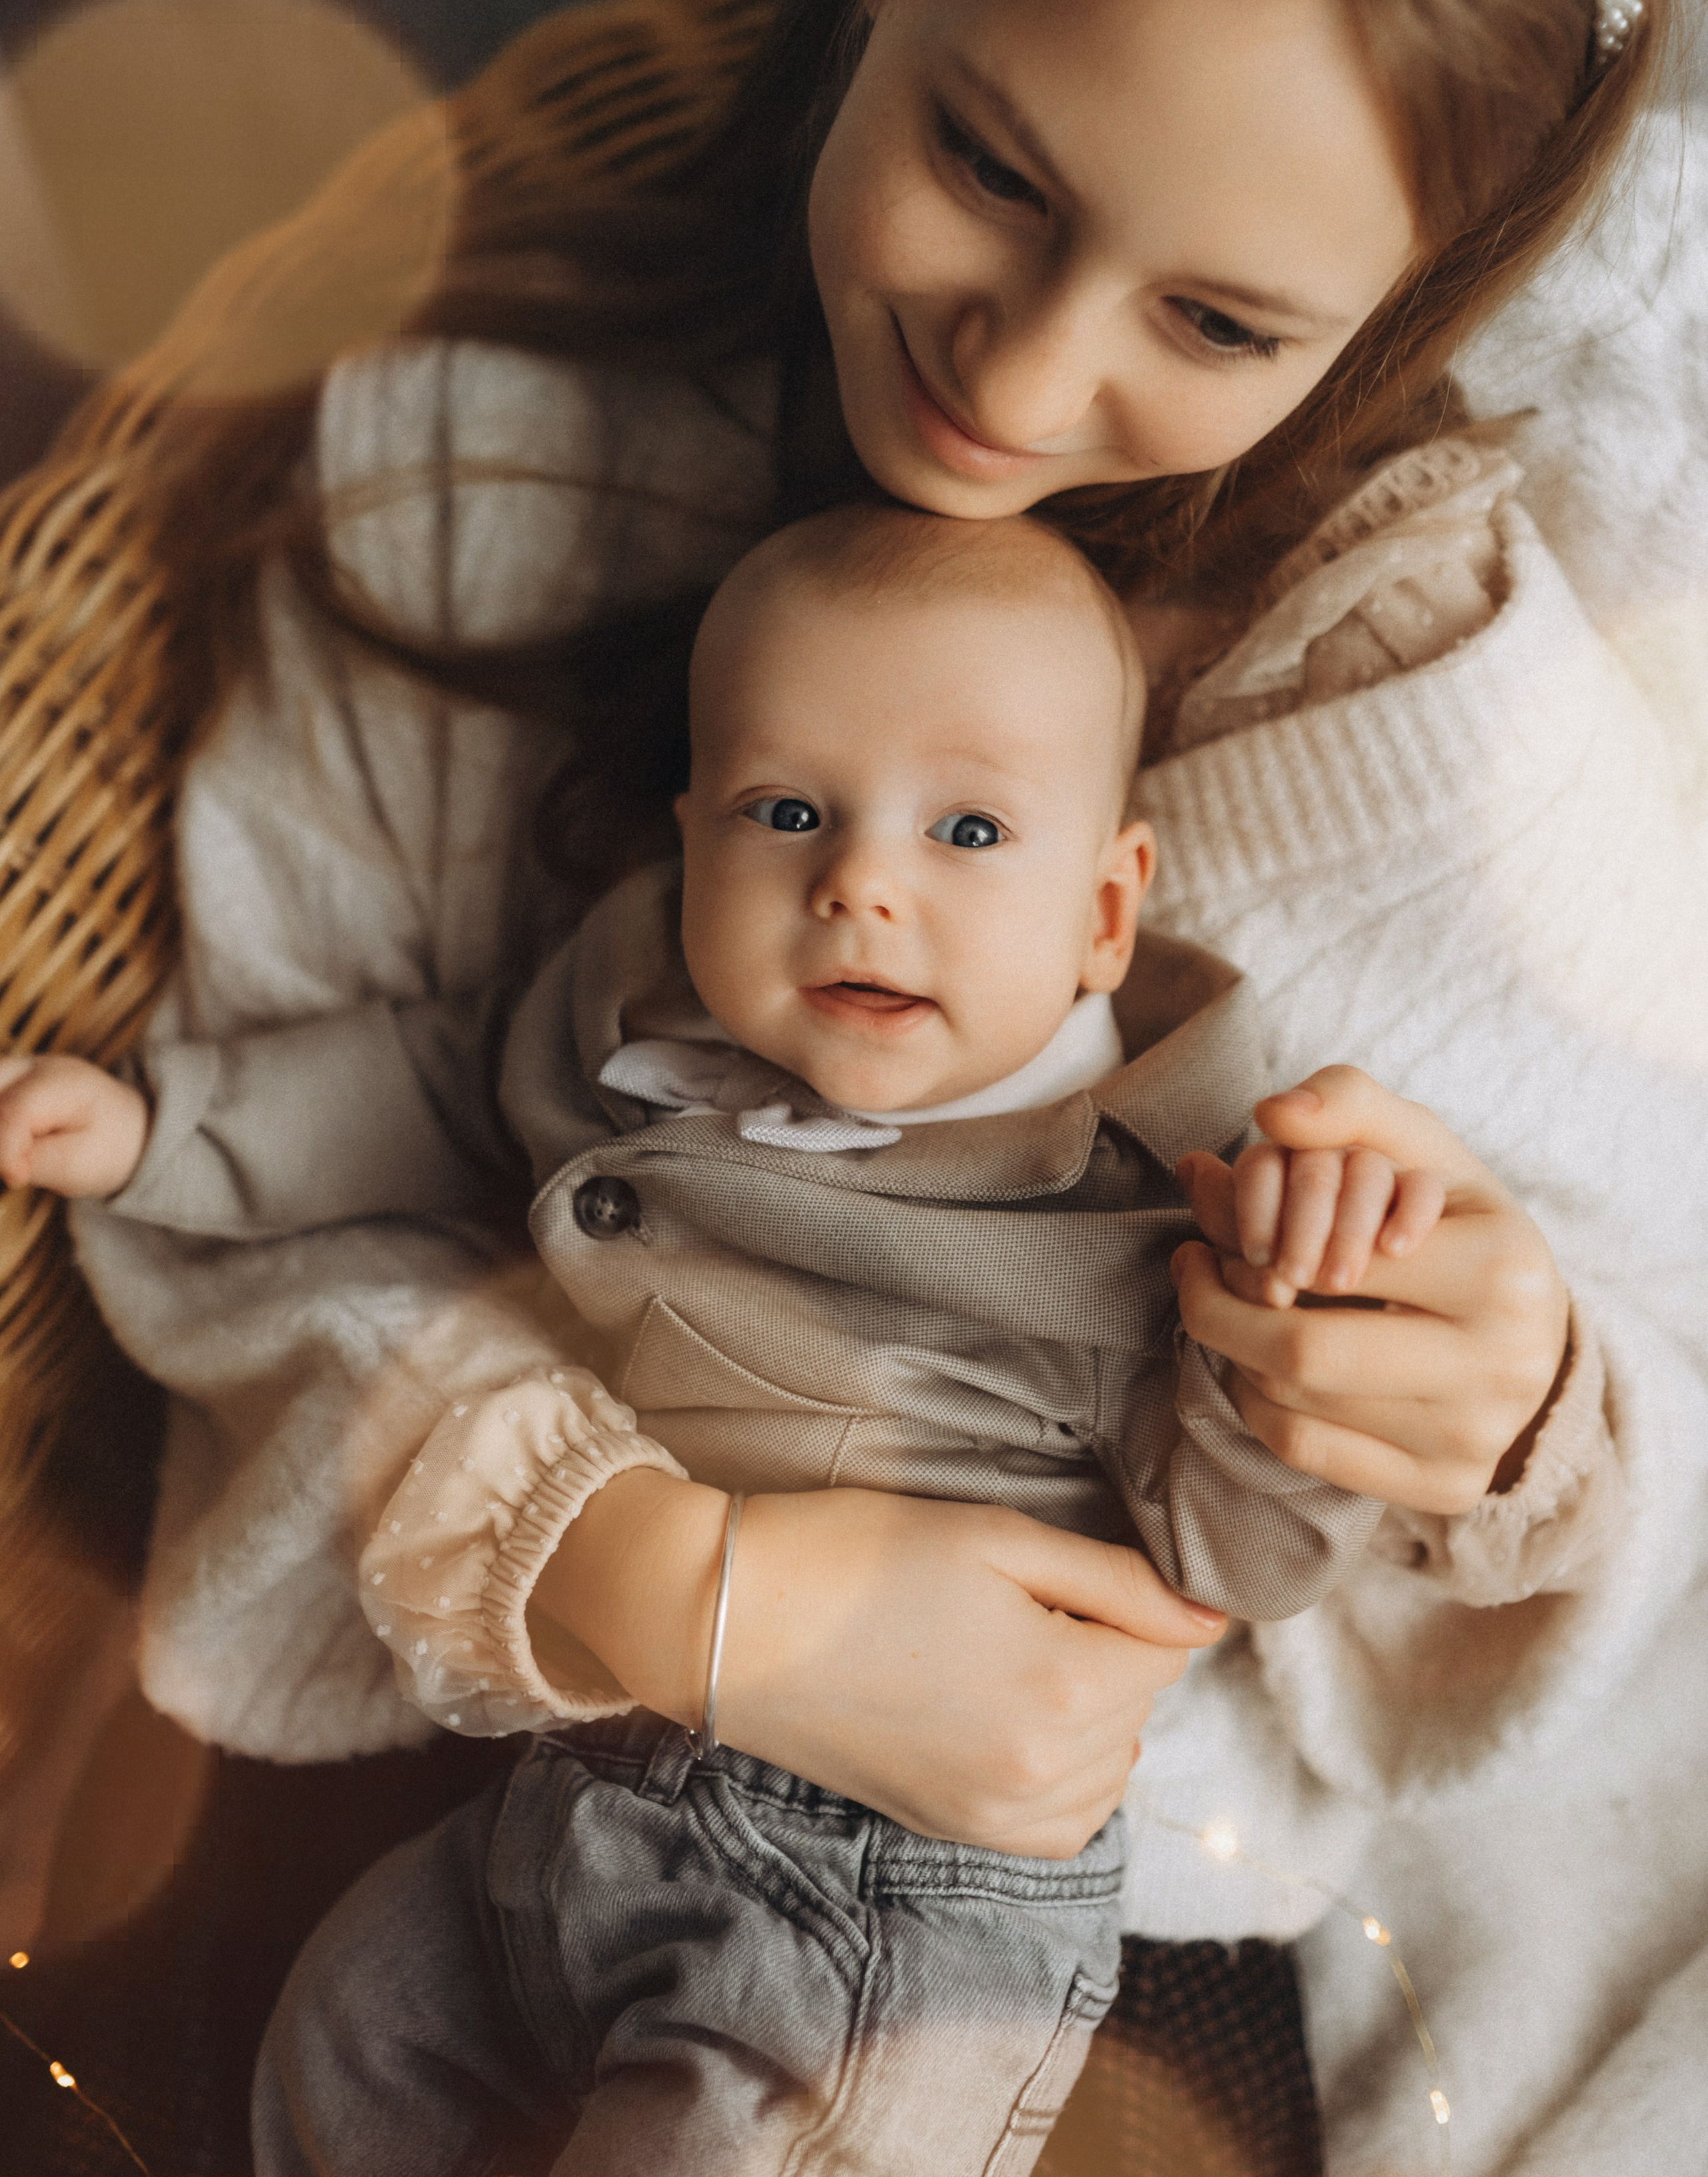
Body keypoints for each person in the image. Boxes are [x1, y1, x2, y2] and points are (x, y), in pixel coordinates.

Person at [25, 0, 1708, 2168]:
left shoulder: (1438, 700)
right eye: (992, 170)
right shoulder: (484, 478)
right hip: (548, 1736)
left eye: (1217, 318)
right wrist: (675, 1576)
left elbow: (1643, 1315)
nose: (1014, 385)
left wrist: (1518, 1418)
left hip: (1163, 1880)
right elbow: (334, 1180)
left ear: (1408, 304)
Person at [3, 500, 1459, 2169]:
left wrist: (1284, 1329)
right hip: (568, 1791)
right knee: (352, 2035)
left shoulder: (1151, 1196)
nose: (859, 885)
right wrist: (165, 1129)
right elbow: (427, 1087)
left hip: (892, 1896)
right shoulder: (630, 1025)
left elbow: (1242, 1554)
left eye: (968, 830)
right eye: (786, 812)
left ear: (1104, 912)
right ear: (692, 839)